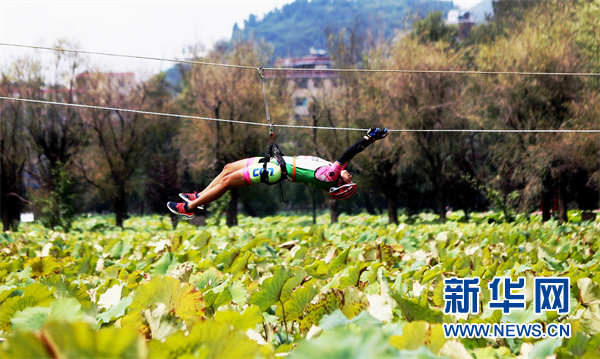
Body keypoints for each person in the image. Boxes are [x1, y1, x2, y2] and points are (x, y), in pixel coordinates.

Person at [167, 127, 388, 219]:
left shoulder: (329, 175)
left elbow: (349, 153)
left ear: (338, 182)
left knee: (226, 182)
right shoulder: (329, 173)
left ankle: (189, 208)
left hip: (274, 170)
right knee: (227, 169)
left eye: (349, 178)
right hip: (276, 160)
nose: (350, 174)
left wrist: (369, 139)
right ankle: (199, 197)